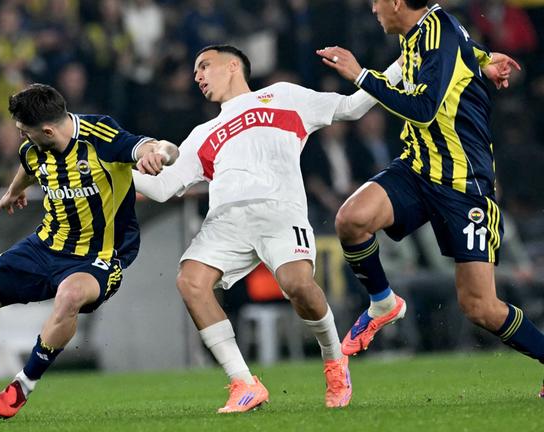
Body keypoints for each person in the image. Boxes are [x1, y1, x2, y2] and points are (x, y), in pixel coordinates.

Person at [132, 44, 403, 412]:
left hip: (279, 210)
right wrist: (114, 172)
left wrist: (404, 64)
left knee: (298, 287)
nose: (197, 75)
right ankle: (244, 382)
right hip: (226, 219)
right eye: (195, 70)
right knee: (190, 281)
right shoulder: (201, 133)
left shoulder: (284, 96)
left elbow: (353, 106)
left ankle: (334, 360)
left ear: (233, 66)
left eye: (204, 66)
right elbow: (163, 188)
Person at [0, 83, 179, 418]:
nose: (20, 137)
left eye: (23, 131)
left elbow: (159, 146)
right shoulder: (34, 148)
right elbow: (30, 167)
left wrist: (158, 154)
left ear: (46, 129)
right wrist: (14, 191)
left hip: (99, 256)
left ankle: (23, 384)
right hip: (43, 246)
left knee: (69, 297)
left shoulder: (100, 136)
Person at [317, 0, 544, 396]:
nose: (373, 9)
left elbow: (423, 110)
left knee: (480, 307)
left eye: (376, 1)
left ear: (397, 3)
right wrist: (484, 59)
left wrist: (360, 75)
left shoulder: (436, 37)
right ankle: (383, 303)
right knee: (351, 220)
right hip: (417, 168)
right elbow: (463, 44)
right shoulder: (425, 30)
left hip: (462, 184)